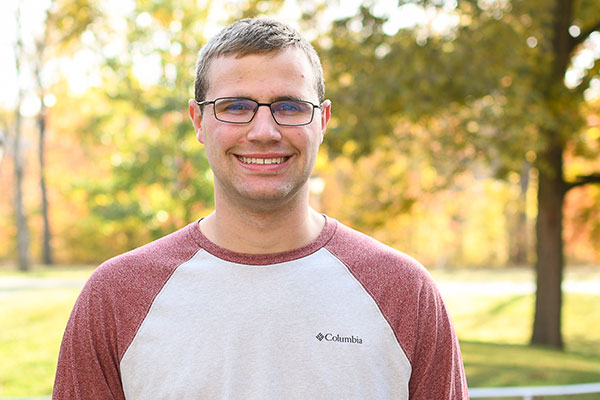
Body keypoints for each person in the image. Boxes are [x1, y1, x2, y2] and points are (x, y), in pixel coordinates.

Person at [53, 18, 468, 399]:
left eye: (290, 107)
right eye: (236, 107)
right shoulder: (115, 296)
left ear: (322, 122)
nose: (264, 131)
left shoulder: (403, 291)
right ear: (198, 121)